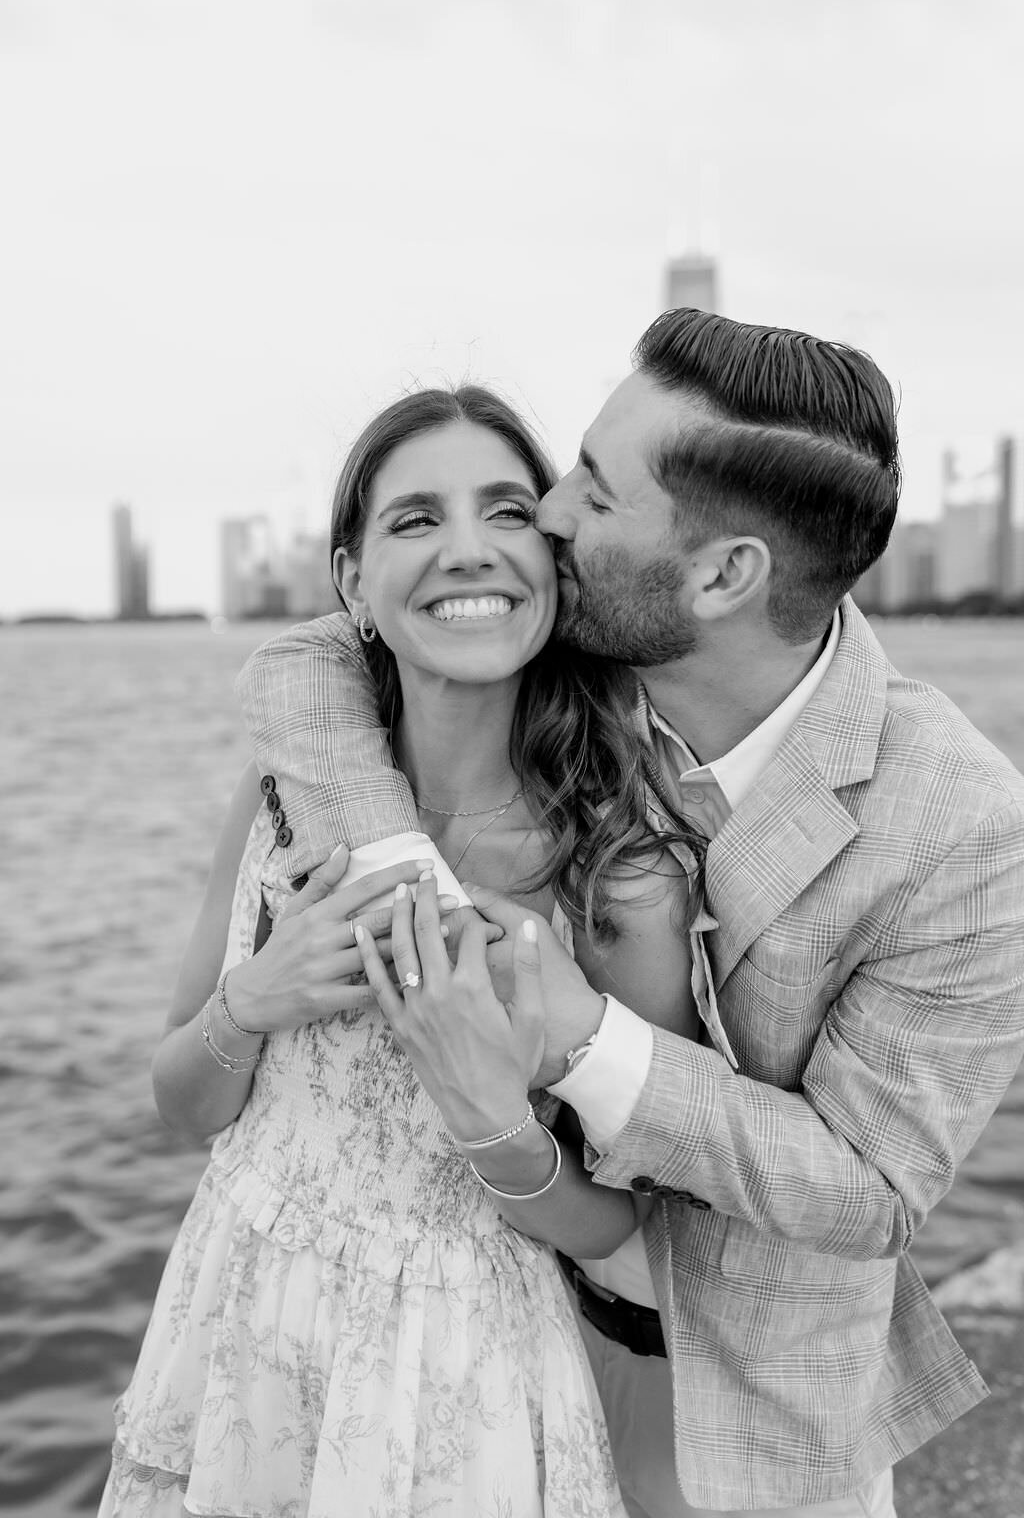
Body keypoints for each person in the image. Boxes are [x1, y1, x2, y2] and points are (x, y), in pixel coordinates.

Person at [237, 309, 1024, 1518]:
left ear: (721, 576)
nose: (547, 516)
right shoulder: (576, 647)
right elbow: (312, 662)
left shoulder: (962, 826)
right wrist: (402, 867)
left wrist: (581, 1039)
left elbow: (868, 1192)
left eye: (593, 496)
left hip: (750, 1408)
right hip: (496, 1337)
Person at [98, 384, 710, 1518]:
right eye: (416, 520)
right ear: (353, 585)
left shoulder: (619, 870)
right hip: (237, 1321)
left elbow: (634, 1225)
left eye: (508, 512)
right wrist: (254, 1001)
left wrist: (495, 1126)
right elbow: (181, 1105)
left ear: (554, 562)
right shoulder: (280, 802)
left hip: (460, 1370)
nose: (466, 550)